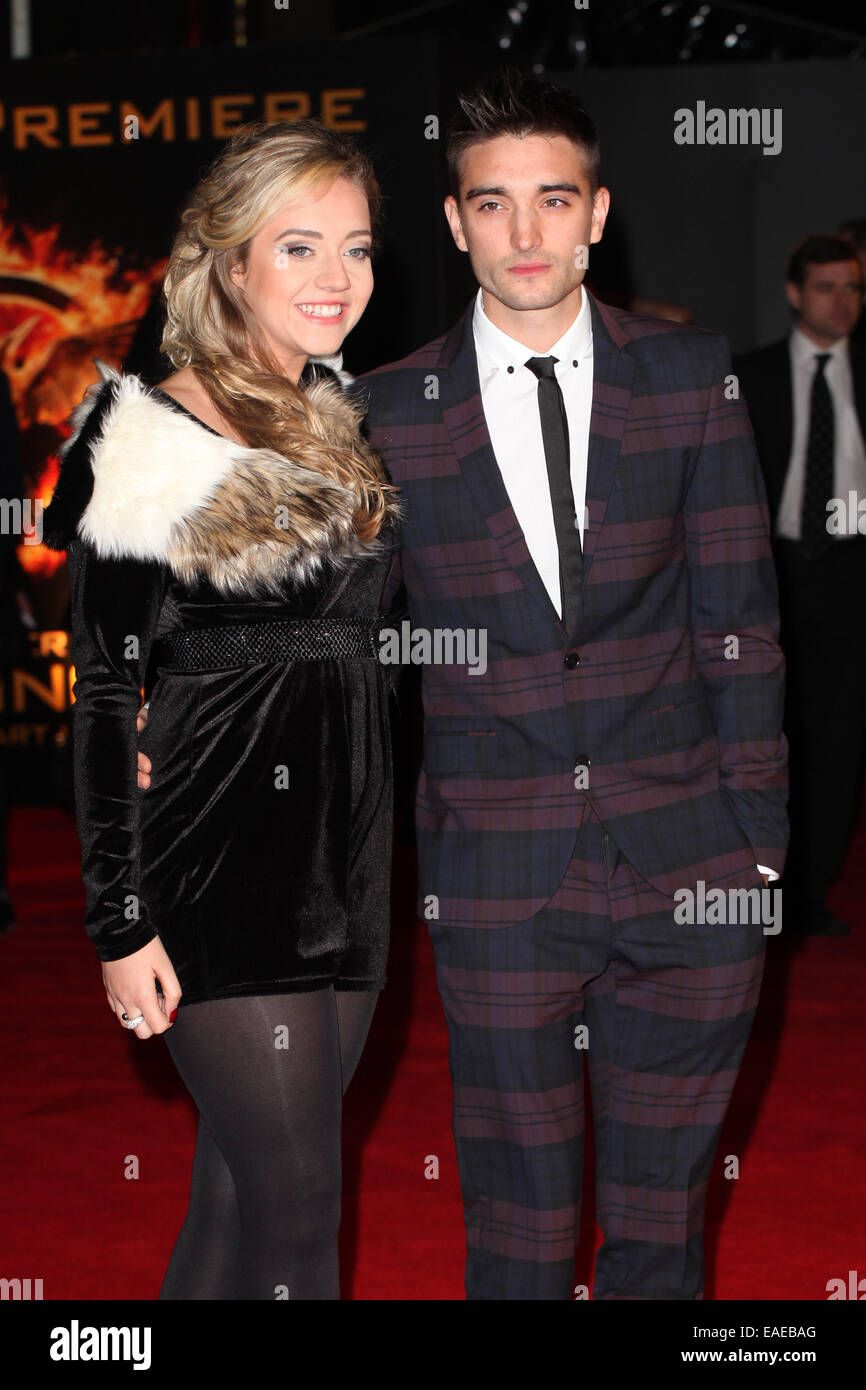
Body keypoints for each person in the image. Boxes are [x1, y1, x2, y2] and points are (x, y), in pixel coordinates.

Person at [360, 71, 787, 1300]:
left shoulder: (687, 374)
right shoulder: (387, 411)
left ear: (597, 211)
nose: (526, 233)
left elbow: (741, 630)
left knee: (663, 1236)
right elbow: (343, 643)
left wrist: (755, 853)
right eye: (492, 205)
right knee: (516, 1235)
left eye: (552, 200)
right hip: (498, 878)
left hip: (691, 866)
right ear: (453, 224)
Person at [43, 119, 402, 1300]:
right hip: (213, 858)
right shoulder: (141, 434)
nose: (335, 277)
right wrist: (118, 916)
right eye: (296, 247)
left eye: (353, 246)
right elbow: (103, 691)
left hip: (347, 857)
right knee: (304, 1229)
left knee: (240, 1200)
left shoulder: (342, 419)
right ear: (228, 263)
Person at [735, 234, 866, 937]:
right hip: (771, 573)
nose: (841, 302)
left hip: (851, 578)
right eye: (826, 287)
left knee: (839, 741)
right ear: (794, 293)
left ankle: (811, 893)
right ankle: (765, 895)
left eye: (852, 289)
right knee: (763, 737)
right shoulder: (746, 377)